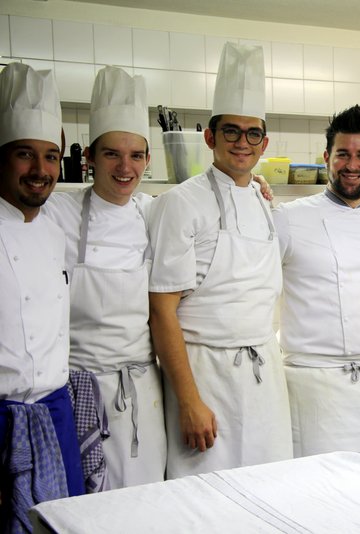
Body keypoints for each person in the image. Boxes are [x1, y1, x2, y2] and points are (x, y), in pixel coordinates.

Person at [147, 42, 292, 478]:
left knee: (269, 493)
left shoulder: (265, 200)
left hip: (264, 375)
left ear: (264, 143)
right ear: (210, 137)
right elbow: (161, 311)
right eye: (231, 131)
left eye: (252, 134)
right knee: (205, 505)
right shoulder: (180, 203)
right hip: (205, 375)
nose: (241, 143)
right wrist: (189, 401)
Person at [41, 66, 166, 489]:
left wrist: (256, 187)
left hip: (143, 393)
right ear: (89, 158)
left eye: (135, 155)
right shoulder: (58, 213)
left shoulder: (155, 213)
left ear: (148, 160)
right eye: (111, 154)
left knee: (145, 503)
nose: (124, 167)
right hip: (78, 392)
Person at [273, 105, 360, 457]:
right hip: (314, 388)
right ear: (326, 157)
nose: (352, 165)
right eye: (343, 155)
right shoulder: (288, 220)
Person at [0, 62, 84, 532]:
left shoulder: (57, 223)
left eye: (51, 157)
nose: (40, 171)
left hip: (55, 414)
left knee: (58, 524)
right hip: (1, 419)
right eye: (24, 155)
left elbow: (124, 204)